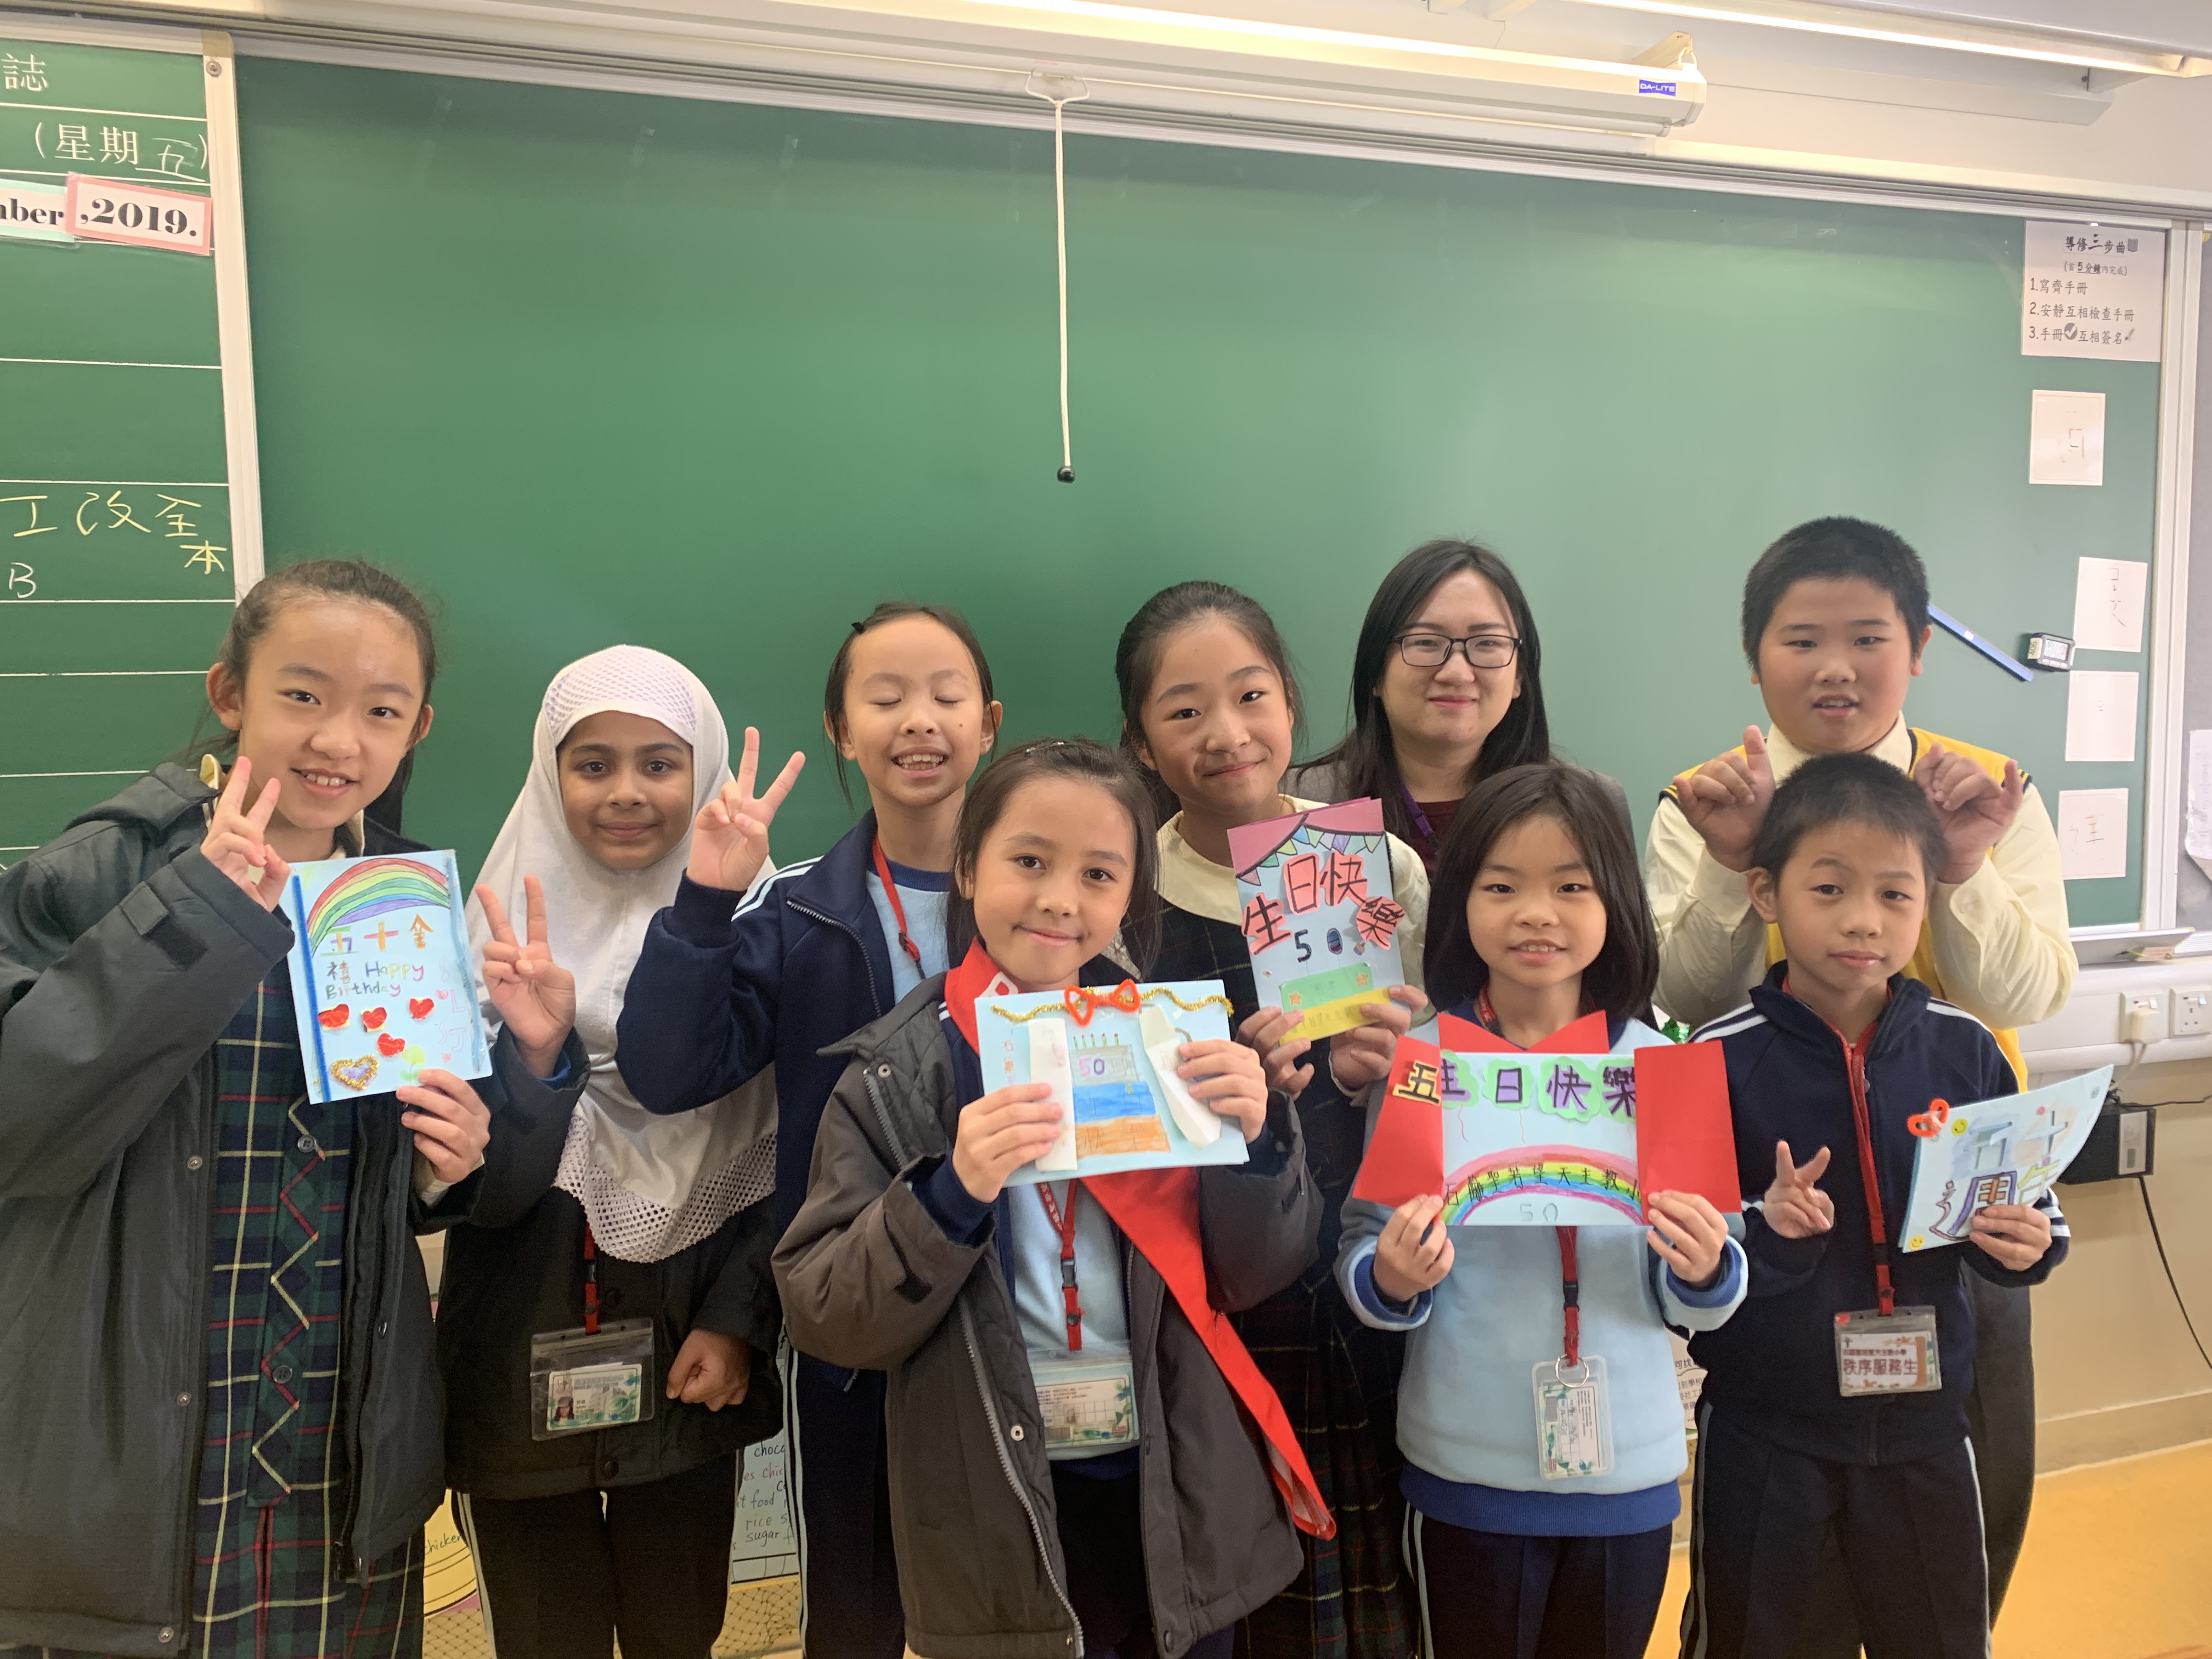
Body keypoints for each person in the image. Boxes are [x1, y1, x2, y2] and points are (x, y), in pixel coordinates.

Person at [0, 560, 586, 1657]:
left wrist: (503, 1099)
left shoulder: (400, 904)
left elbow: (433, 1184)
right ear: (231, 694)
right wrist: (197, 912)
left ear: (417, 730)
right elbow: (19, 1125)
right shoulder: (100, 873)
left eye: (382, 711)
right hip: (136, 1446)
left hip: (335, 1440)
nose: (338, 740)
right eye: (303, 695)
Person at [774, 736, 1329, 1659]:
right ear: (967, 866)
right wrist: (947, 1196)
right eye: (1028, 860)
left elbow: (1254, 1274)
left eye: (1099, 873)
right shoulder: (895, 1073)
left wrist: (1260, 1140)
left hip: (1174, 1484)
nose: (1061, 899)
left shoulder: (1174, 1046)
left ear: (1131, 894)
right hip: (993, 1502)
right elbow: (825, 1313)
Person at [1643, 516, 2071, 1629]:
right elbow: (1681, 998)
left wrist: (1962, 867)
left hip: (1951, 1221)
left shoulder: (1993, 793)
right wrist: (1732, 861)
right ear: (1755, 658)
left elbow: (2027, 993)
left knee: (1959, 1523)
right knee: (1767, 1567)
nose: (1835, 667)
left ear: (1918, 648)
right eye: (1802, 640)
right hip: (1776, 1230)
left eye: (1868, 637)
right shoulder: (1703, 800)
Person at [618, 601, 1001, 1659]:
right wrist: (706, 901)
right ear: (840, 727)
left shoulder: (1046, 896)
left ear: (988, 721)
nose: (917, 719)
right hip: (855, 1320)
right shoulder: (795, 911)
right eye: (885, 697)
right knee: (858, 1601)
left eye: (946, 694)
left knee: (1023, 1590)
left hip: (1026, 1308)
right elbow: (669, 1071)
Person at [1339, 763, 1744, 1659]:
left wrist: (1706, 1264)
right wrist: (1392, 1278)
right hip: (1465, 1467)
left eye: (1571, 886)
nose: (1536, 913)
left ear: (1616, 904)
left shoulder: (1659, 1064)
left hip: (1629, 1469)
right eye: (1501, 886)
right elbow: (1363, 1246)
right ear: (1459, 903)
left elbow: (1708, 1288)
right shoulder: (1424, 1064)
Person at [1680, 753, 2068, 1659]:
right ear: (1767, 894)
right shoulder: (1712, 1058)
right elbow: (1682, 1265)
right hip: (1765, 1424)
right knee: (1752, 1637)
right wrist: (1768, 1231)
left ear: (1928, 900)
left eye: (1895, 894)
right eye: (1829, 889)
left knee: (1938, 1635)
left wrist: (2024, 1243)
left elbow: (2031, 1207)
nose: (1864, 919)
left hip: (1927, 1426)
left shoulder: (1965, 1049)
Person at [441, 645, 785, 1659]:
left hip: (691, 1367)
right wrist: (536, 1057)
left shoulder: (761, 931)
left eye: (660, 763)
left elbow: (788, 1156)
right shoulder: (477, 947)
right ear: (549, 776)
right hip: (514, 1376)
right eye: (592, 764)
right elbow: (478, 1195)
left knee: (682, 1628)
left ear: (703, 771)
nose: (626, 791)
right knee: (545, 1635)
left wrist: (738, 1322)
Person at [1116, 581, 1424, 1659]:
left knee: (1375, 1573)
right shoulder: (1128, 890)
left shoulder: (1370, 868)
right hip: (1211, 1297)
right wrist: (1236, 1101)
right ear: (1141, 743)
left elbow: (1445, 1082)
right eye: (1184, 709)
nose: (1226, 731)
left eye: (1250, 694)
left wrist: (1371, 1076)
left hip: (1370, 1270)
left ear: (1291, 701)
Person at [1288, 540, 1629, 872]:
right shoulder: (1295, 806)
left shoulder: (1595, 806)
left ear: (1519, 677)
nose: (1457, 673)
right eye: (1425, 642)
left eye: (1487, 643)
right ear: (1375, 672)